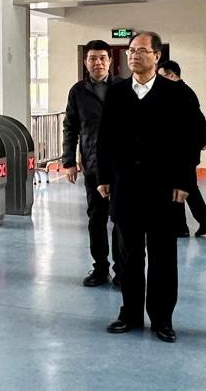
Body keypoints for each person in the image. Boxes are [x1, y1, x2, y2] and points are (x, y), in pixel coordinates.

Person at [97, 32, 202, 343]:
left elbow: (191, 140)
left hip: (164, 188)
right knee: (128, 255)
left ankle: (162, 318)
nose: (134, 55)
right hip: (125, 186)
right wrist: (103, 177)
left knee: (162, 257)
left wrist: (185, 181)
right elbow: (105, 138)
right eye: (131, 50)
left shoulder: (177, 93)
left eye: (142, 51)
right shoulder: (117, 93)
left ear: (157, 56)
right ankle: (129, 314)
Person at [62, 40, 123, 287]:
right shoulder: (78, 91)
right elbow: (70, 127)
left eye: (102, 58)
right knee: (96, 218)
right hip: (93, 165)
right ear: (85, 62)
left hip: (121, 165)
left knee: (121, 219)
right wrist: (69, 161)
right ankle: (100, 268)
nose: (97, 63)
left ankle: (122, 270)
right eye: (92, 58)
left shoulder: (123, 88)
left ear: (110, 61)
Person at [157, 60, 206, 238]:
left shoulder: (181, 93)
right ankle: (190, 224)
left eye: (161, 77)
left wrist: (200, 140)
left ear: (172, 75)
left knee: (182, 186)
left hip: (184, 151)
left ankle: (195, 224)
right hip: (182, 150)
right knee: (183, 186)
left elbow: (197, 121)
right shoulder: (180, 92)